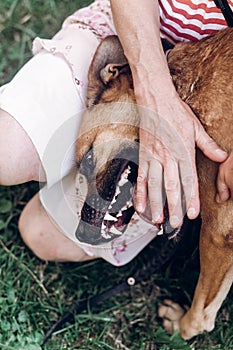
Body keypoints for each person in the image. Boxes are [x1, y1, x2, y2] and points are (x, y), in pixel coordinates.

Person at [0, 0, 232, 266]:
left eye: (89, 160)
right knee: (7, 151)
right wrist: (155, 94)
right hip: (129, 34)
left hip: (211, 79)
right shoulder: (112, 78)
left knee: (39, 233)